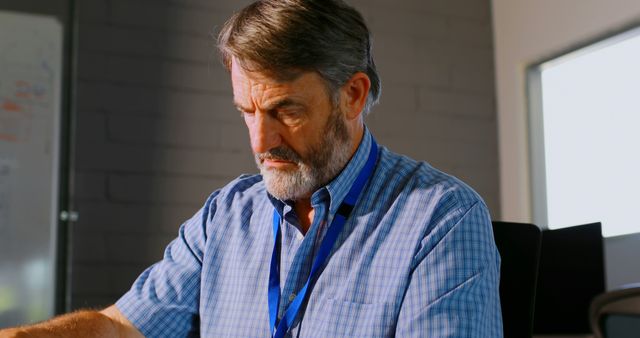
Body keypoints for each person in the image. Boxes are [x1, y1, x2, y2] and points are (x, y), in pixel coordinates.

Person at [0, 0, 502, 337]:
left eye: (285, 110)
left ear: (352, 96)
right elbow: (121, 328)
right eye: (247, 113)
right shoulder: (226, 215)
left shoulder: (441, 219)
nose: (261, 142)